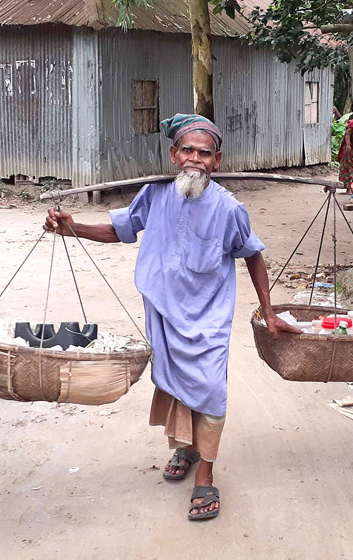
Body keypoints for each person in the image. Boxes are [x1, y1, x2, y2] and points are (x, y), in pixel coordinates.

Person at [43, 113, 300, 521]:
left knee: (211, 389)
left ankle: (206, 475)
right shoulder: (155, 194)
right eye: (187, 150)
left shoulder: (229, 208)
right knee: (178, 384)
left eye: (204, 153)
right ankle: (186, 446)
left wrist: (269, 312)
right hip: (163, 313)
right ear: (173, 154)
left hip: (208, 318)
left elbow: (253, 254)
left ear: (217, 161)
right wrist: (71, 228)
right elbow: (120, 229)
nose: (194, 159)